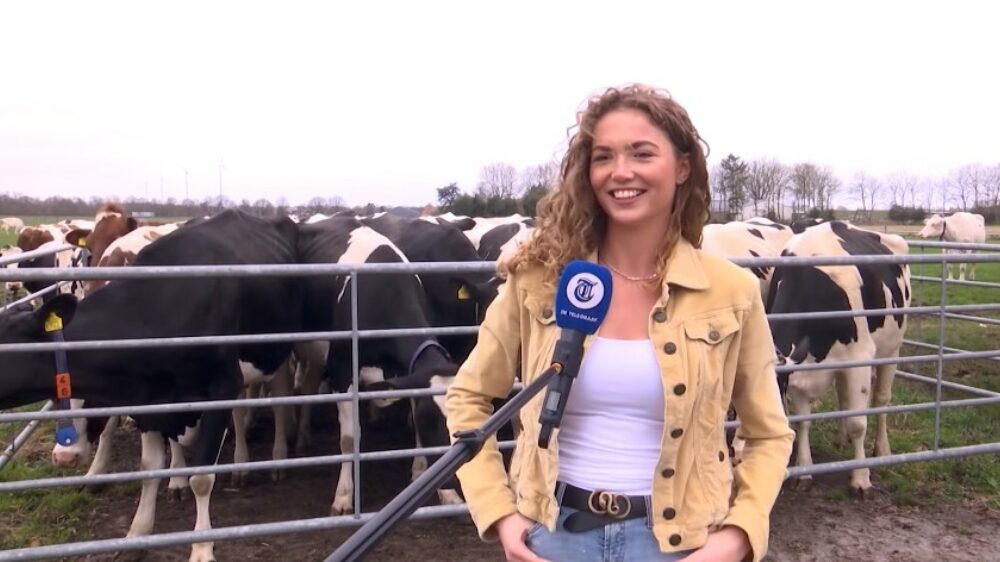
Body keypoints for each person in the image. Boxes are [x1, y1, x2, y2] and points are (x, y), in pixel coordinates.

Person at [445, 84, 793, 562]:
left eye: (642, 153)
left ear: (683, 167)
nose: (621, 171)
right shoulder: (539, 280)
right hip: (553, 538)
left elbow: (769, 434)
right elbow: (468, 399)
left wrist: (737, 537)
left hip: (682, 545)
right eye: (603, 157)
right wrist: (499, 513)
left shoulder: (732, 292)